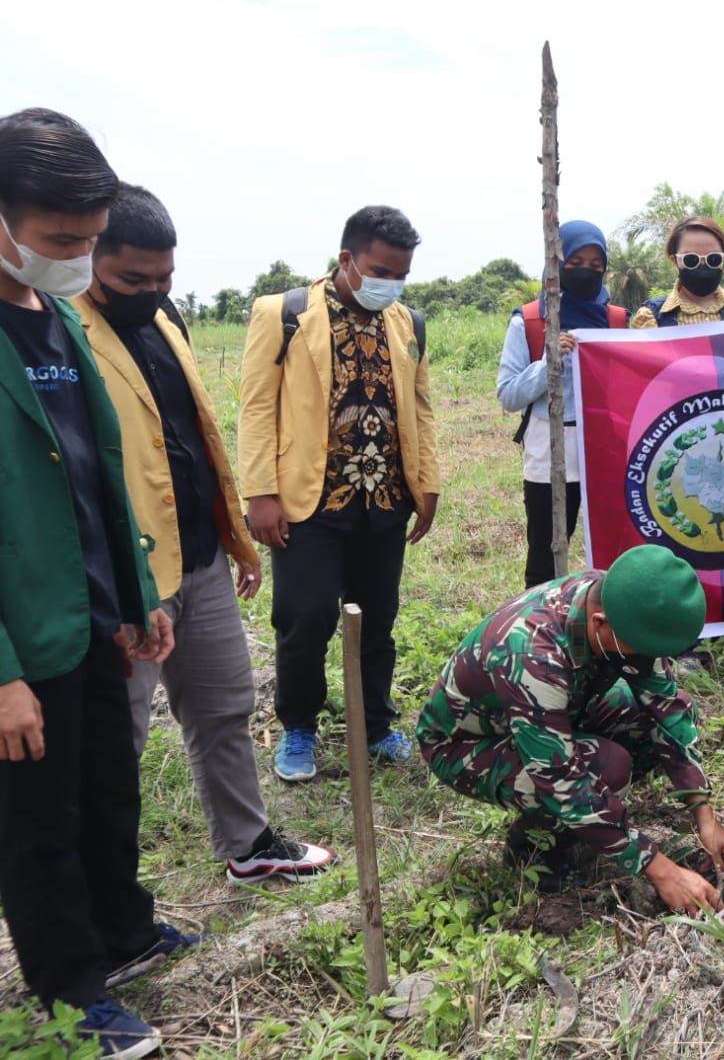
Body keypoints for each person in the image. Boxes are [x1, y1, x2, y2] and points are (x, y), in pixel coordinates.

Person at [73, 184, 335, 884]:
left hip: (198, 556)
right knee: (117, 735)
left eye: (164, 279)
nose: (150, 291)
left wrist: (233, 535)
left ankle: (248, 845)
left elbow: (191, 434)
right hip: (125, 576)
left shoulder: (164, 319)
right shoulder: (62, 330)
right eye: (133, 278)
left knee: (224, 707)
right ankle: (107, 888)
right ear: (88, 255)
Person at [0, 106, 188, 1060]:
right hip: (21, 633)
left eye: (87, 238)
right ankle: (73, 990)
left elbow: (97, 470)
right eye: (60, 240)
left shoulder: (58, 317)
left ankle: (126, 929)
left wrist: (135, 593)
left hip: (94, 612)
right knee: (38, 825)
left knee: (110, 788)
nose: (76, 256)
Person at [418, 545, 724, 913]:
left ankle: (589, 824)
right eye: (638, 649)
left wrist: (704, 815)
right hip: (468, 745)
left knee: (648, 719)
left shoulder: (618, 601)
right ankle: (535, 845)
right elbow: (560, 778)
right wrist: (661, 869)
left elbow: (667, 709)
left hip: (556, 711)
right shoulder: (532, 653)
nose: (645, 659)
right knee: (606, 766)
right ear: (599, 623)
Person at [238, 205, 441, 782]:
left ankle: (374, 726)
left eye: (400, 275)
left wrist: (426, 481)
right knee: (304, 618)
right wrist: (259, 493)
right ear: (346, 259)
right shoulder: (284, 314)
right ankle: (299, 726)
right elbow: (256, 408)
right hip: (308, 503)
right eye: (380, 270)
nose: (389, 285)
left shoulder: (410, 324)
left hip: (384, 500)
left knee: (378, 619)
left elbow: (420, 411)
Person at [499, 220, 628, 589]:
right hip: (550, 447)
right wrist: (548, 363)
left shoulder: (617, 320)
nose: (586, 270)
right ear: (556, 263)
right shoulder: (530, 320)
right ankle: (540, 626)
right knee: (546, 549)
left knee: (613, 549)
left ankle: (611, 625)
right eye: (575, 262)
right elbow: (508, 394)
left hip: (606, 447)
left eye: (596, 263)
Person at [630, 216, 724, 328]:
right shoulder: (651, 318)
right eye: (691, 260)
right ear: (674, 260)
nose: (702, 266)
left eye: (713, 259)